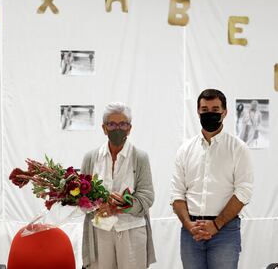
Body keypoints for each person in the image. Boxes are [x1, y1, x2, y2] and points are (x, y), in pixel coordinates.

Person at [170, 89, 254, 269]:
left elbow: (244, 191)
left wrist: (217, 224)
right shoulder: (185, 150)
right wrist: (189, 225)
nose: (210, 114)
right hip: (190, 231)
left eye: (215, 110)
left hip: (225, 231)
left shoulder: (238, 149)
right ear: (198, 112)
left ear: (225, 112)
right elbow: (176, 193)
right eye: (205, 109)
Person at [81, 102, 156, 269]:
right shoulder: (91, 157)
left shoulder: (140, 157)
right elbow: (82, 196)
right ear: (104, 128)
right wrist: (98, 206)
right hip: (100, 230)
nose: (117, 128)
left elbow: (147, 196)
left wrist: (118, 208)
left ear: (129, 128)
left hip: (132, 230)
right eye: (112, 124)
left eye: (123, 124)